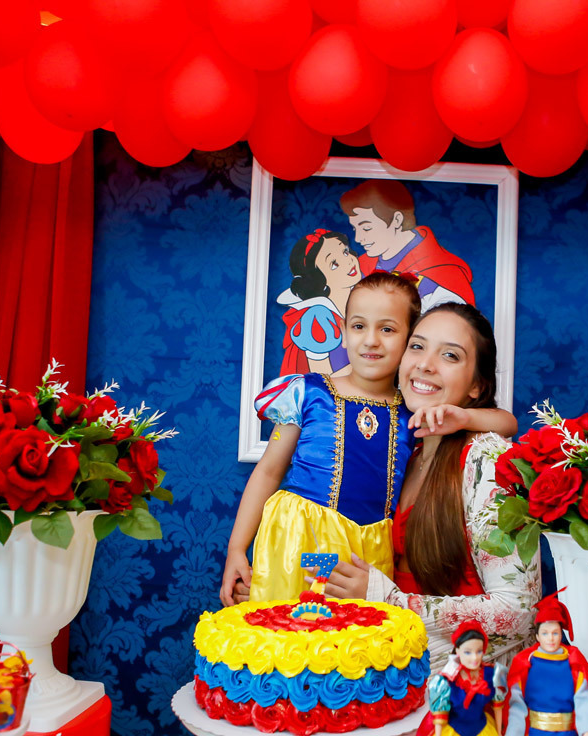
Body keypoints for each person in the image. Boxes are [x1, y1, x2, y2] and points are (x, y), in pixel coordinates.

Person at [220, 277, 517, 605]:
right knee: (296, 625)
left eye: (387, 330)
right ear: (344, 331)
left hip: (369, 549)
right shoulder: (309, 393)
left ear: (406, 341)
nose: (371, 341)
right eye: (359, 326)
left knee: (358, 631)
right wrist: (237, 548)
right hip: (302, 538)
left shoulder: (411, 410)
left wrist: (465, 417)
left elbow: (508, 423)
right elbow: (268, 471)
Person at [319, 302, 540, 667]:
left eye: (450, 355)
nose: (425, 364)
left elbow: (518, 613)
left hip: (465, 686)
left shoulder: (486, 460)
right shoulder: (404, 449)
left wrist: (387, 600)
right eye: (417, 346)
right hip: (396, 670)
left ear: (476, 386)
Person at [391, 620, 531, 736]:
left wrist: (499, 733)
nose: (474, 657)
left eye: (478, 651)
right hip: (453, 734)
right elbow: (440, 713)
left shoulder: (492, 675)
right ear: (457, 651)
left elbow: (498, 705)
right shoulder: (446, 679)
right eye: (468, 652)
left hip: (483, 732)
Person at [504, 592, 588, 736]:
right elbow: (517, 703)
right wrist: (513, 735)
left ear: (561, 634)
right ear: (537, 636)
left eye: (555, 633)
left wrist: (587, 730)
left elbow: (584, 699)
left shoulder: (573, 663)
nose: (550, 638)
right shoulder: (525, 664)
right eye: (545, 633)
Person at [340, 180, 475, 311]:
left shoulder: (441, 276)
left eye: (367, 228)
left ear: (397, 220)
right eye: (355, 229)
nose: (358, 238)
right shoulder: (360, 267)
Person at [278, 229, 361, 376]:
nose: (348, 260)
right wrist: (364, 372)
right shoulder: (318, 318)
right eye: (334, 264)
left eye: (345, 252)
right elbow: (321, 382)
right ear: (317, 280)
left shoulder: (363, 301)